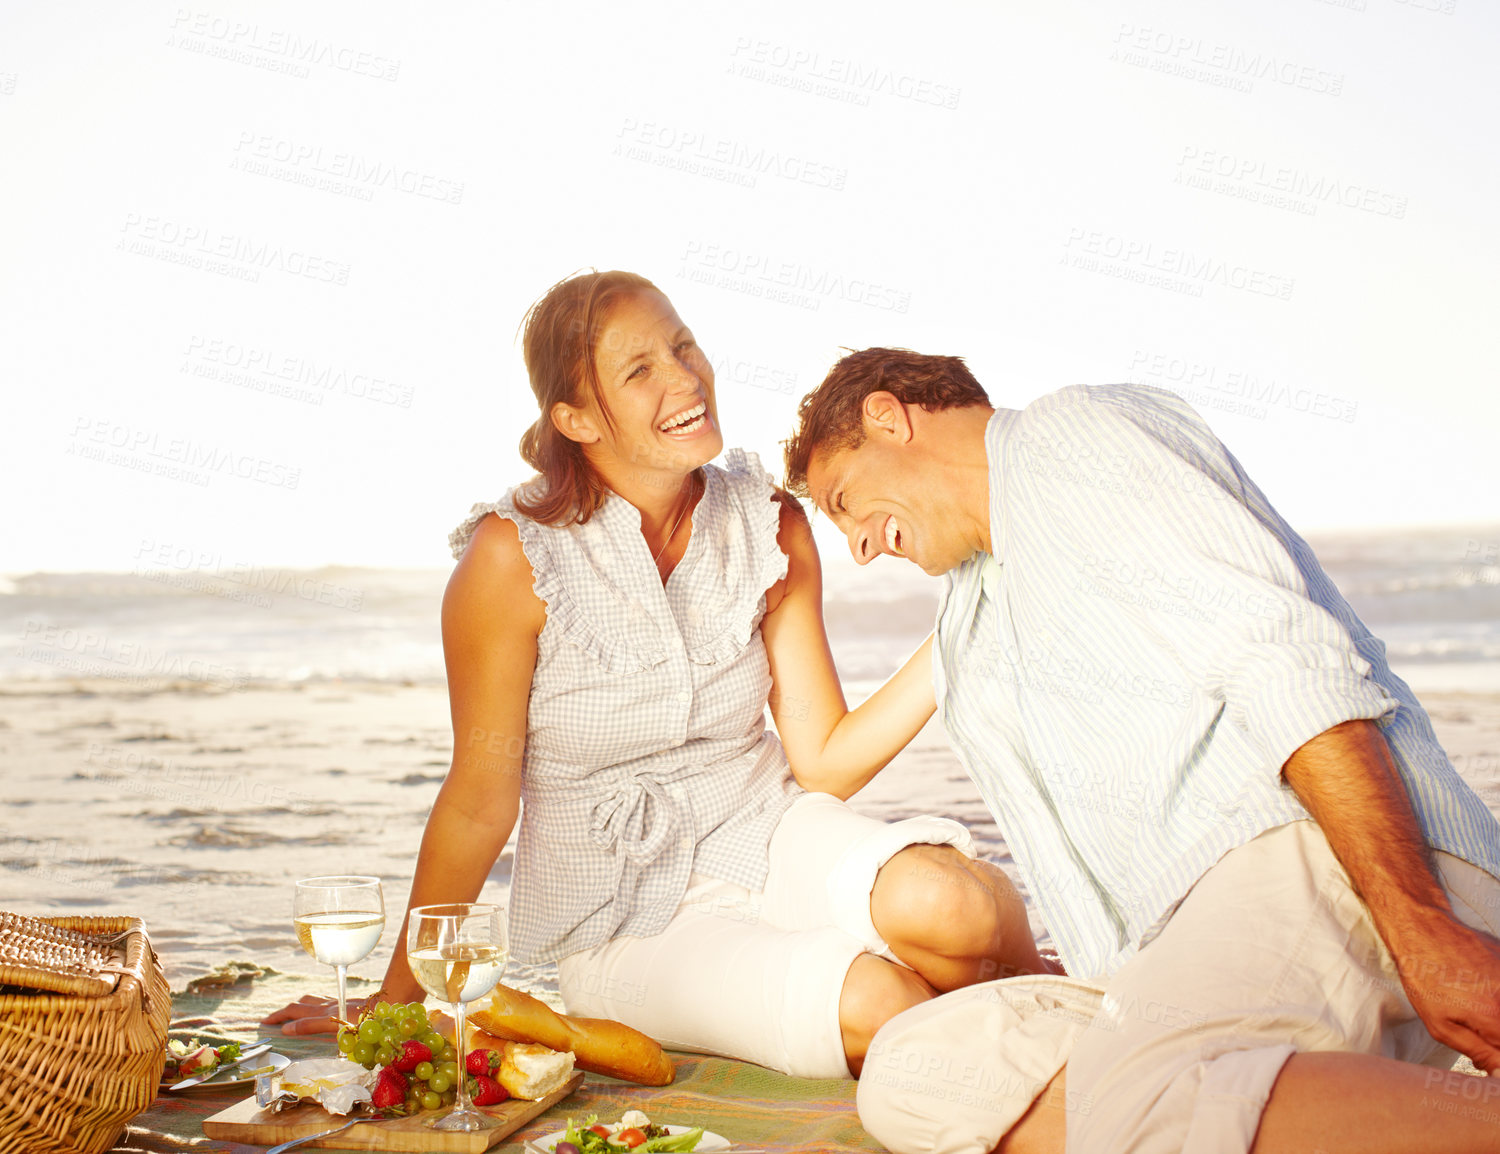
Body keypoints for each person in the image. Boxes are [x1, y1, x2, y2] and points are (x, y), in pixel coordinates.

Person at [265, 273, 1052, 1078]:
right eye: (639, 370)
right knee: (885, 1006)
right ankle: (1045, 1076)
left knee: (960, 908)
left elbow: (821, 759)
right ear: (573, 418)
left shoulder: (767, 521)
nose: (684, 378)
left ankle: (1070, 1006)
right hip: (623, 928)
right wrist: (397, 1005)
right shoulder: (511, 562)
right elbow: (478, 803)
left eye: (682, 346)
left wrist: (965, 626)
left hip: (765, 834)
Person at [784, 348, 1500, 1152]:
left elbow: (1284, 660)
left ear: (889, 416)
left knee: (1142, 1098)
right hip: (1175, 948)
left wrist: (1420, 921)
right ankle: (1325, 1107)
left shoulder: (1069, 442)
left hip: (1315, 846)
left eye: (846, 503)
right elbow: (830, 761)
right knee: (915, 1073)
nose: (861, 550)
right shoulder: (969, 621)